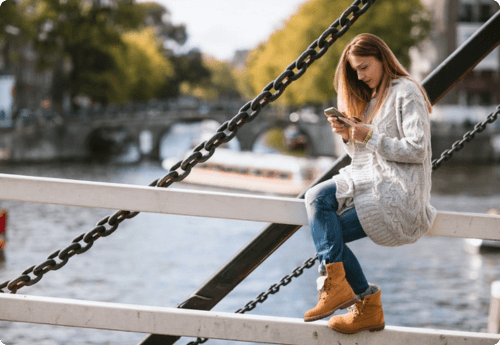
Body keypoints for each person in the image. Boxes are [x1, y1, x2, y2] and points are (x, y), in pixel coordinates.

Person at [303, 33, 437, 334]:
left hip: (397, 195)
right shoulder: (374, 98)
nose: (361, 76)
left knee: (327, 236)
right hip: (371, 182)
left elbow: (417, 150)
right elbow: (364, 156)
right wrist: (349, 135)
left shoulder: (406, 92)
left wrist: (368, 136)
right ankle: (350, 294)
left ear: (382, 58)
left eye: (364, 67)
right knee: (316, 198)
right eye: (356, 71)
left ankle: (363, 301)